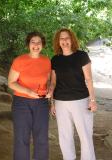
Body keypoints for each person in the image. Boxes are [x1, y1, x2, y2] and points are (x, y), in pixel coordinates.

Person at [49, 28, 97, 160]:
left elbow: (89, 79)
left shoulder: (82, 56)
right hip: (60, 103)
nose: (64, 41)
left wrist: (92, 100)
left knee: (85, 135)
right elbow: (53, 83)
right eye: (61, 39)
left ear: (72, 40)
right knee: (65, 136)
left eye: (67, 38)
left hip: (81, 101)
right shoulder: (55, 59)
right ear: (58, 42)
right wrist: (52, 103)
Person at [8, 31, 51, 160]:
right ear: (28, 44)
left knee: (42, 138)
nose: (36, 45)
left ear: (42, 45)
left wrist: (49, 89)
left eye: (39, 42)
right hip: (21, 103)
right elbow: (11, 83)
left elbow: (48, 80)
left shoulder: (46, 61)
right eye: (33, 42)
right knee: (21, 138)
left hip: (42, 104)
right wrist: (28, 92)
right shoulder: (19, 60)